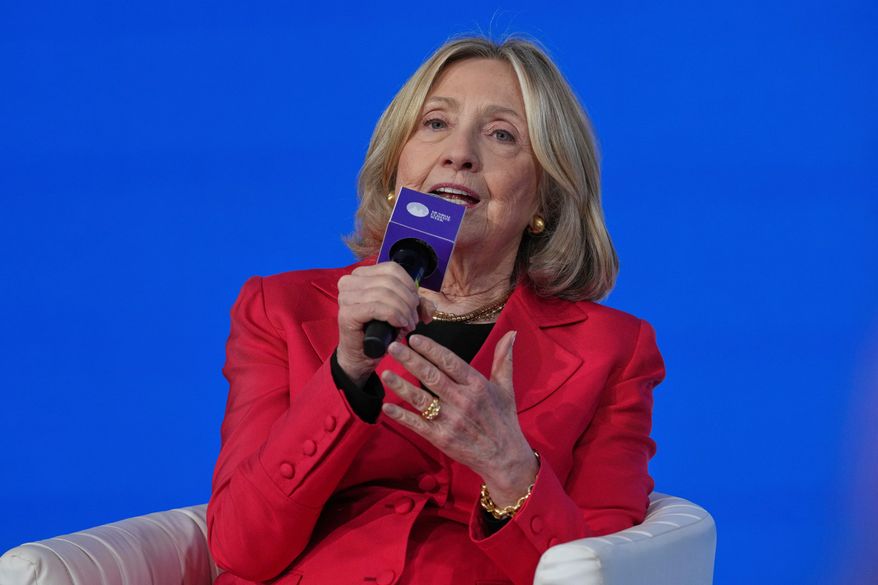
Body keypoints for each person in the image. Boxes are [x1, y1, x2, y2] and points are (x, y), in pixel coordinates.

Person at [207, 36, 665, 585]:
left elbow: (606, 571)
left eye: (502, 135)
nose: (460, 152)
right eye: (435, 123)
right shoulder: (279, 308)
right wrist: (345, 374)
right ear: (398, 161)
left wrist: (510, 469)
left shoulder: (612, 351)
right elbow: (238, 548)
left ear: (545, 198)